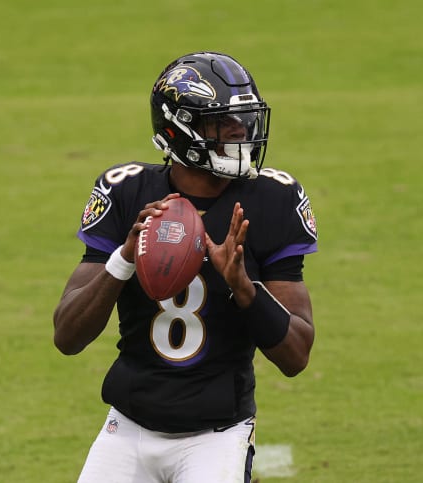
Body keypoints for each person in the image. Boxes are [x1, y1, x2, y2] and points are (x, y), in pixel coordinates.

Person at [53, 51, 318, 483]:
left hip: (215, 437)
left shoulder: (272, 199)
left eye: (244, 120)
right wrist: (123, 258)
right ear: (178, 128)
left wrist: (243, 287)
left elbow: (296, 355)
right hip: (127, 429)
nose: (241, 133)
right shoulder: (126, 192)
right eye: (222, 123)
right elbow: (67, 336)